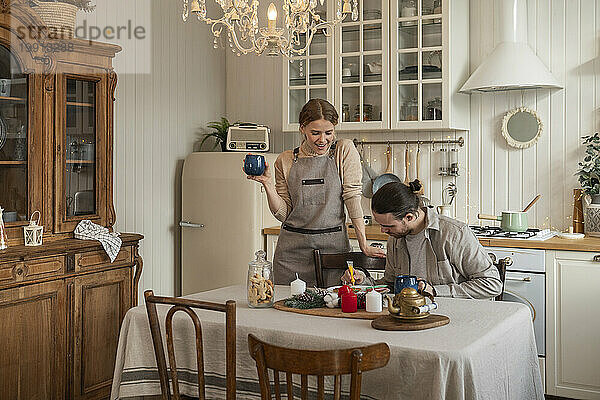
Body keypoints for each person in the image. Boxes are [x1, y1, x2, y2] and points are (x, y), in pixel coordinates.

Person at [246, 98, 385, 286]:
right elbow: (283, 214)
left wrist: (363, 244)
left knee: (332, 308)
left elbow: (352, 197)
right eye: (315, 133)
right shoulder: (285, 160)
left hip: (333, 251)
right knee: (288, 312)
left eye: (329, 133)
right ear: (302, 128)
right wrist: (268, 185)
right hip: (291, 254)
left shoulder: (343, 150)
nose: (323, 140)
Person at [342, 182, 502, 299]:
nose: (383, 231)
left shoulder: (454, 234)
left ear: (409, 217)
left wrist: (435, 291)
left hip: (456, 319)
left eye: (387, 226)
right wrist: (362, 281)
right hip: (410, 318)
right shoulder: (395, 238)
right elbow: (391, 284)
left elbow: (492, 284)